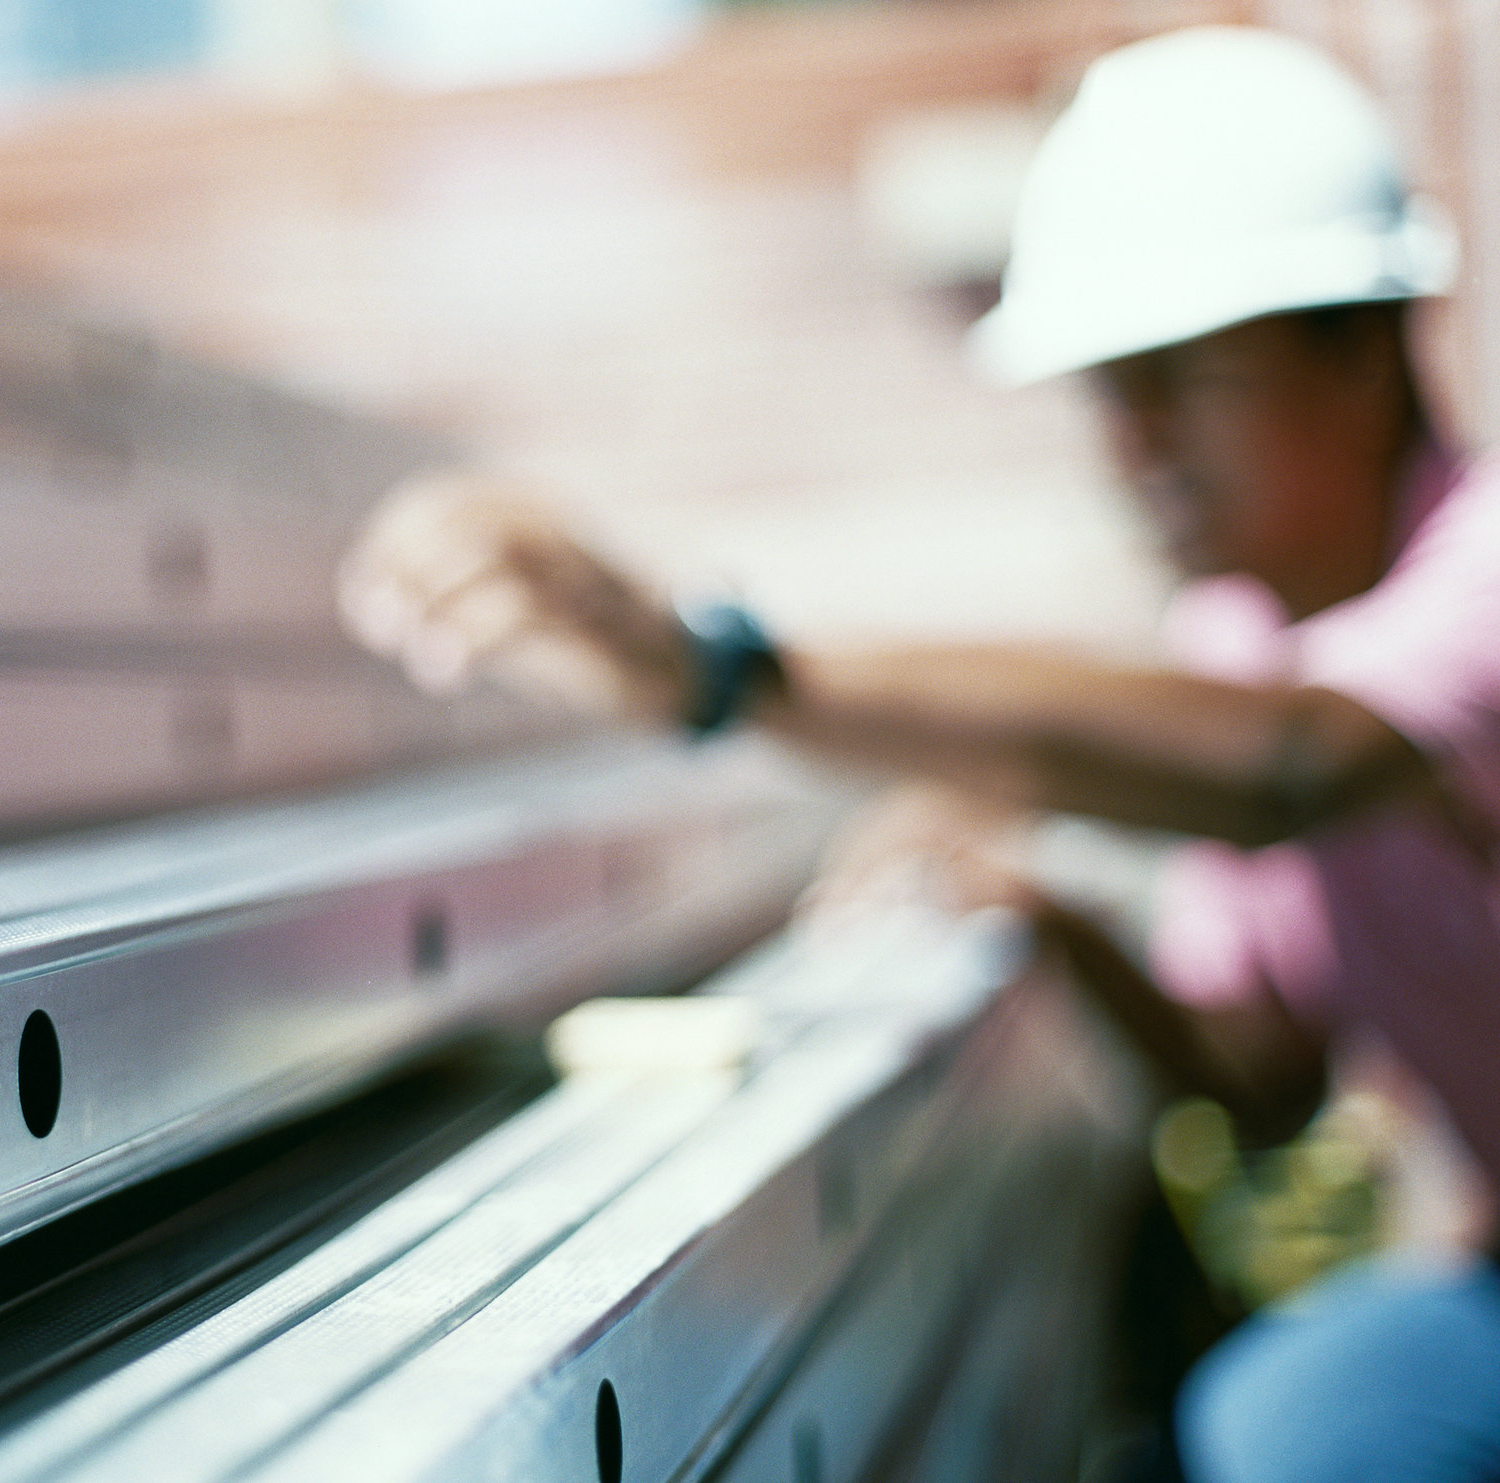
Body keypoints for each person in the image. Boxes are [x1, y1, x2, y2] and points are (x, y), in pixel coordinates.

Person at [339, 27, 1500, 1482]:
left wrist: (720, 668)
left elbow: (1285, 768)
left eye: (1182, 373)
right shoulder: (1238, 639)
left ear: (1365, 342)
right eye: (1104, 383)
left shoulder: (1476, 571)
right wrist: (1046, 914)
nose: (1131, 438)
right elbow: (1257, 1079)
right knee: (1285, 1424)